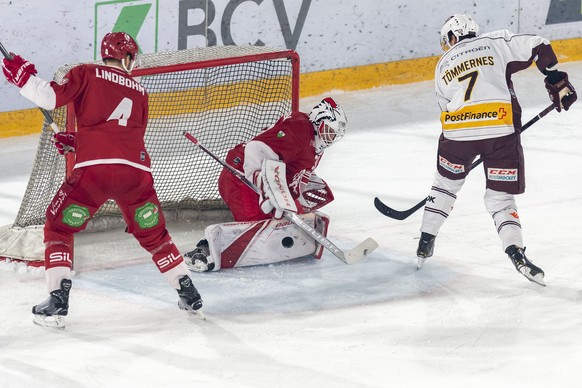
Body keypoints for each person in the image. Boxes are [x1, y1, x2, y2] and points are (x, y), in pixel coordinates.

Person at [1, 32, 204, 328]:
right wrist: (79, 141)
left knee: (58, 226)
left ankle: (58, 298)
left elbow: (49, 97)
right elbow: (123, 138)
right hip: (136, 173)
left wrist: (22, 77)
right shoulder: (140, 91)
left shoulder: (86, 72)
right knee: (154, 235)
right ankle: (187, 289)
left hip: (94, 174)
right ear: (129, 57)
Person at [415, 15, 577, 285]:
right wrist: (555, 78)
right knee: (500, 199)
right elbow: (539, 44)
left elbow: (444, 108)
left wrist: (469, 136)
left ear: (453, 37)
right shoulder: (496, 41)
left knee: (445, 185)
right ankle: (516, 253)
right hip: (499, 130)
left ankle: (425, 241)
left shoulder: (442, 63)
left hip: (457, 135)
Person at [184, 97, 347, 271]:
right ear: (318, 120)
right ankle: (206, 249)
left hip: (267, 180)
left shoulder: (315, 144)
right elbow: (256, 150)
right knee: (261, 230)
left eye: (334, 136)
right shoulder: (300, 128)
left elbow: (293, 169)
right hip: (240, 176)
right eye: (329, 131)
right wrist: (266, 187)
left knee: (288, 225)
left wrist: (299, 192)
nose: (330, 138)